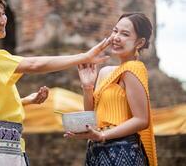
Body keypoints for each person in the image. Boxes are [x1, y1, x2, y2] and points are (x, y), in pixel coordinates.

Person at [0, 0, 111, 166]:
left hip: (8, 145)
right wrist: (84, 57)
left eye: (3, 14)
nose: (3, 20)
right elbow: (34, 65)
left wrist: (25, 101)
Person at [64, 13, 158, 166]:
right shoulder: (105, 72)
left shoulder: (133, 69)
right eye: (115, 31)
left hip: (123, 150)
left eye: (125, 34)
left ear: (139, 42)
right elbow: (91, 118)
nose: (116, 37)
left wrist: (102, 135)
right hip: (96, 151)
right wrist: (87, 87)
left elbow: (142, 120)